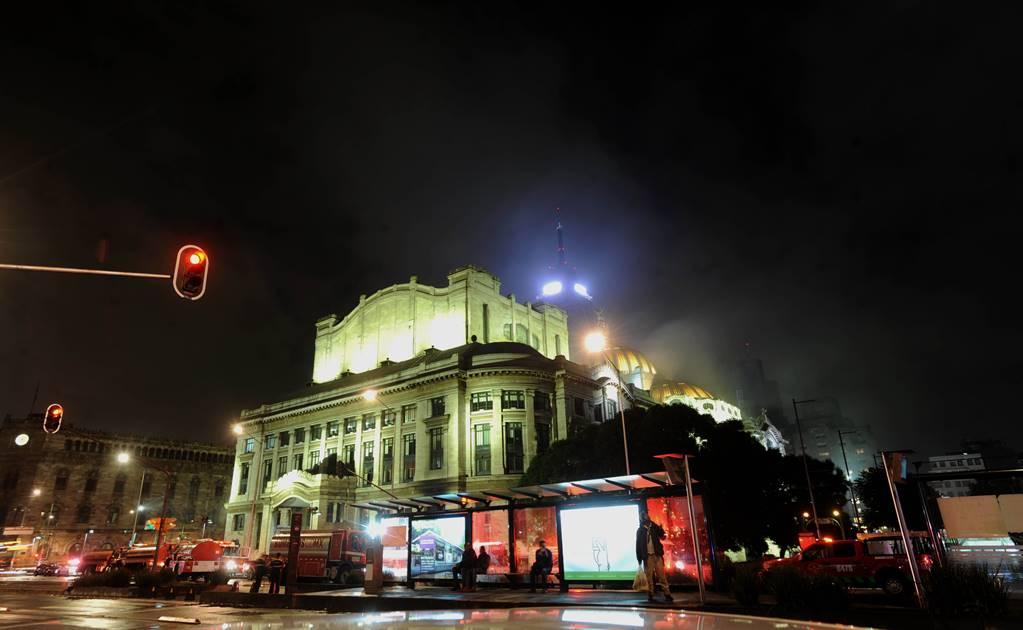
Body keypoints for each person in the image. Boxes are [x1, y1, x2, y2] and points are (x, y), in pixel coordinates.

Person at [635, 513, 673, 602]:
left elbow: (662, 536)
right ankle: (650, 594)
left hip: (657, 555)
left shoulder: (654, 527)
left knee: (661, 576)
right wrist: (639, 558)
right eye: (643, 518)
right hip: (647, 556)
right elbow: (638, 545)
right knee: (649, 577)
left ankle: (667, 594)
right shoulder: (640, 530)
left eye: (646, 518)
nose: (645, 519)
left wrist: (660, 528)